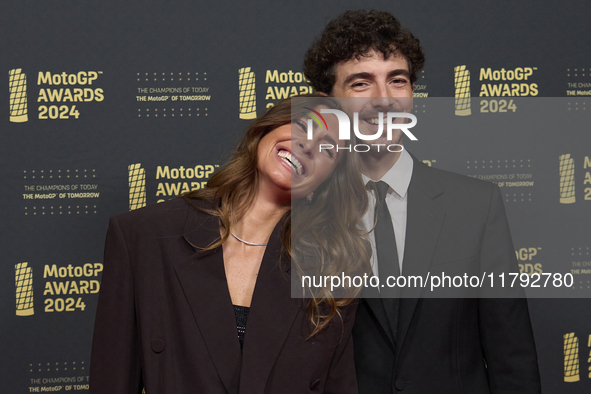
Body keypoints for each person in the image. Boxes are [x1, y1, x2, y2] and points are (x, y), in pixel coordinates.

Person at [303, 10, 542, 394]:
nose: (383, 100)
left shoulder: (477, 205)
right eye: (361, 83)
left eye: (397, 81)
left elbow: (511, 356)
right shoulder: (305, 211)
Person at [89, 95, 371, 393]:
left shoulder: (335, 267)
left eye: (328, 149)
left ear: (327, 181)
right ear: (264, 130)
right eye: (302, 125)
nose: (309, 145)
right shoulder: (144, 235)